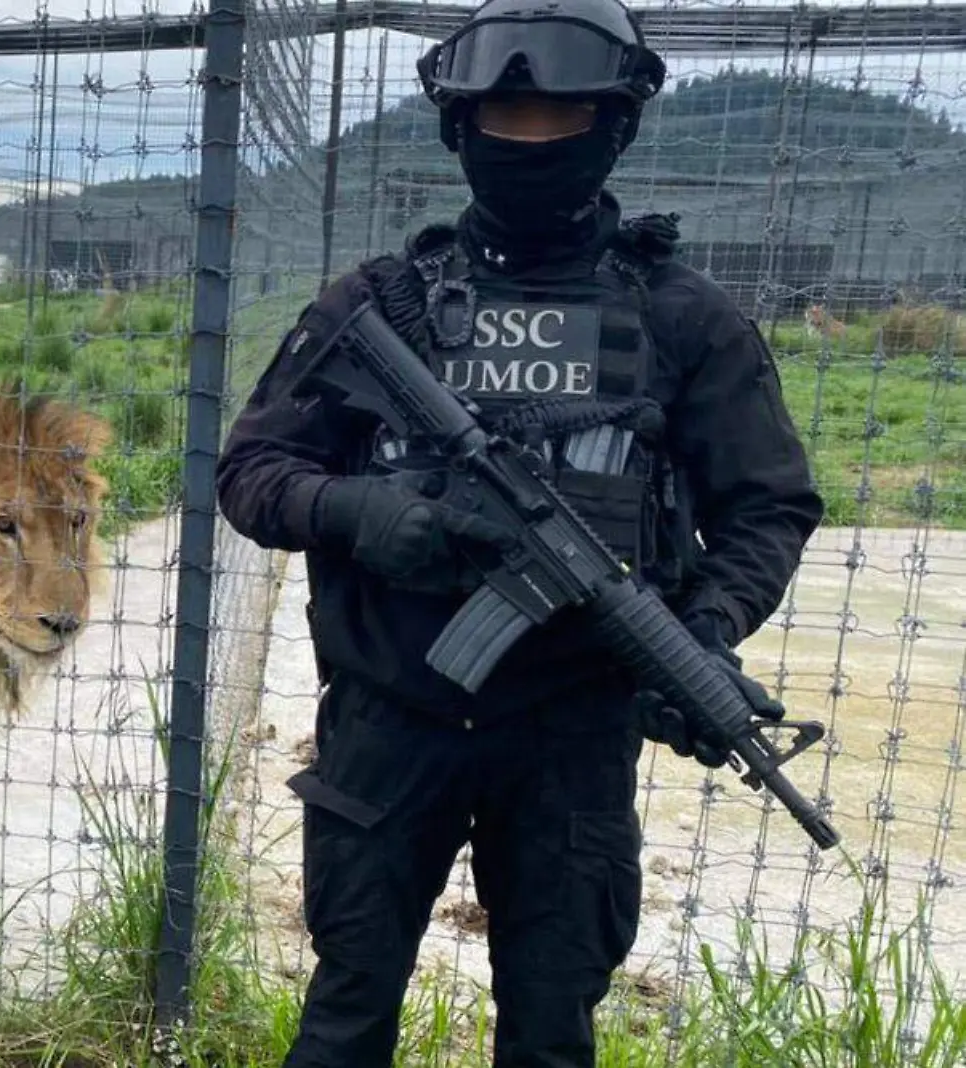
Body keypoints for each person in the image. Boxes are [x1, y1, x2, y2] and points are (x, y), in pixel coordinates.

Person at [213, 0, 826, 1064]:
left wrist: (701, 638)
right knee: (347, 1012)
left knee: (550, 1031)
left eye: (562, 117)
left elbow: (766, 505)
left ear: (615, 125)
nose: (532, 141)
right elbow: (252, 471)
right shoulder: (382, 306)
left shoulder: (681, 319)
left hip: (570, 739)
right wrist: (359, 512)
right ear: (459, 128)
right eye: (507, 116)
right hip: (389, 723)